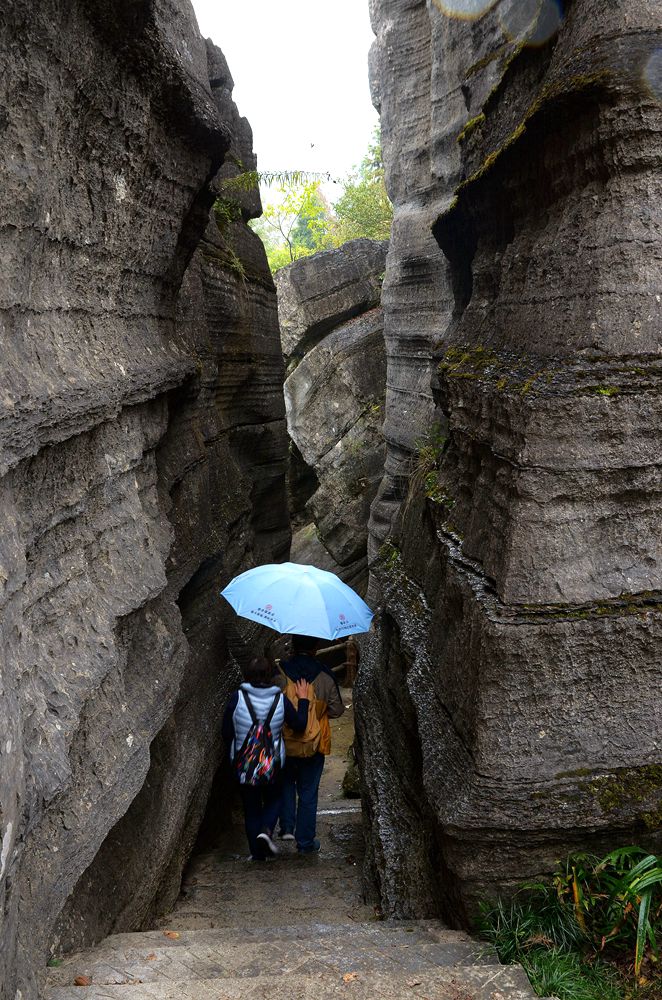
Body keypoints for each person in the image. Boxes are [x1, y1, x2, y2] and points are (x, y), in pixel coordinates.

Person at [222, 656, 311, 861]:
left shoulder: (237, 698)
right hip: (273, 764)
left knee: (251, 807)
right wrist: (303, 699)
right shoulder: (280, 699)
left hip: (243, 764)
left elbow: (226, 731)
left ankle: (257, 854)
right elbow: (299, 725)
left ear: (247, 675)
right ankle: (267, 830)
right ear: (270, 676)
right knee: (275, 799)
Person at [276, 634, 345, 853]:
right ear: (315, 648)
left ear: (292, 646)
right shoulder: (325, 676)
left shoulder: (280, 673)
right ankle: (305, 842)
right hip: (313, 744)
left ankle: (287, 826)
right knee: (308, 792)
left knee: (286, 784)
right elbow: (337, 709)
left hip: (284, 741)